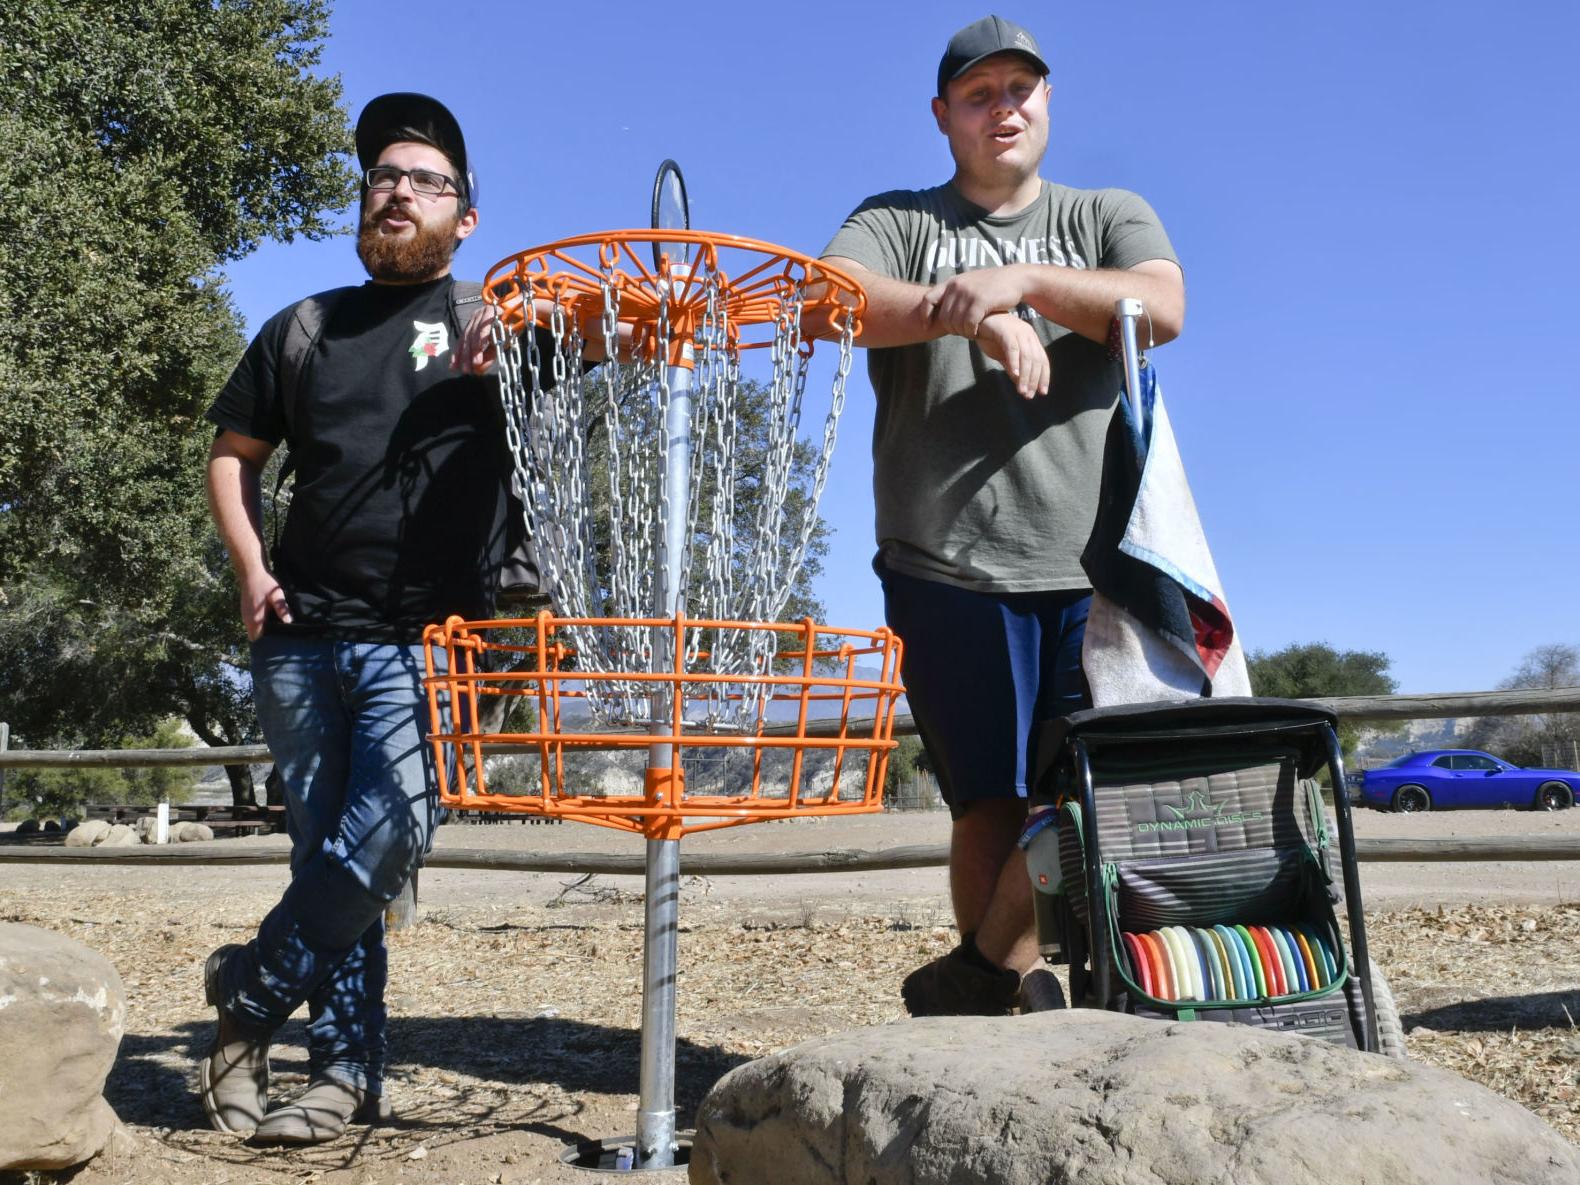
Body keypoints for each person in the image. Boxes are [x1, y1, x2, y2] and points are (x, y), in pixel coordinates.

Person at [819, 15, 1186, 1016]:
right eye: (978, 95)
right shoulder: (897, 219)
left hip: (1100, 566)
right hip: (945, 563)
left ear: (1047, 102)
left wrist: (1021, 282)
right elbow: (835, 301)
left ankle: (985, 978)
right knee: (984, 799)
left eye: (1019, 89)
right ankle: (1008, 1001)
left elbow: (1158, 307)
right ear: (942, 116)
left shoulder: (1106, 213)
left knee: (1091, 790)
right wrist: (970, 312)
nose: (1002, 109)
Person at [200, 92, 519, 1142]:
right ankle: (340, 1078)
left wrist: (539, 337)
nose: (397, 190)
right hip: (297, 635)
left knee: (385, 839)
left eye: (424, 179)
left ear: (463, 218)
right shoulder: (301, 329)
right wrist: (249, 567)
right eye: (384, 174)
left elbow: (618, 330)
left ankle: (247, 994)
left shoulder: (497, 324)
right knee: (323, 858)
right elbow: (233, 459)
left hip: (430, 637)